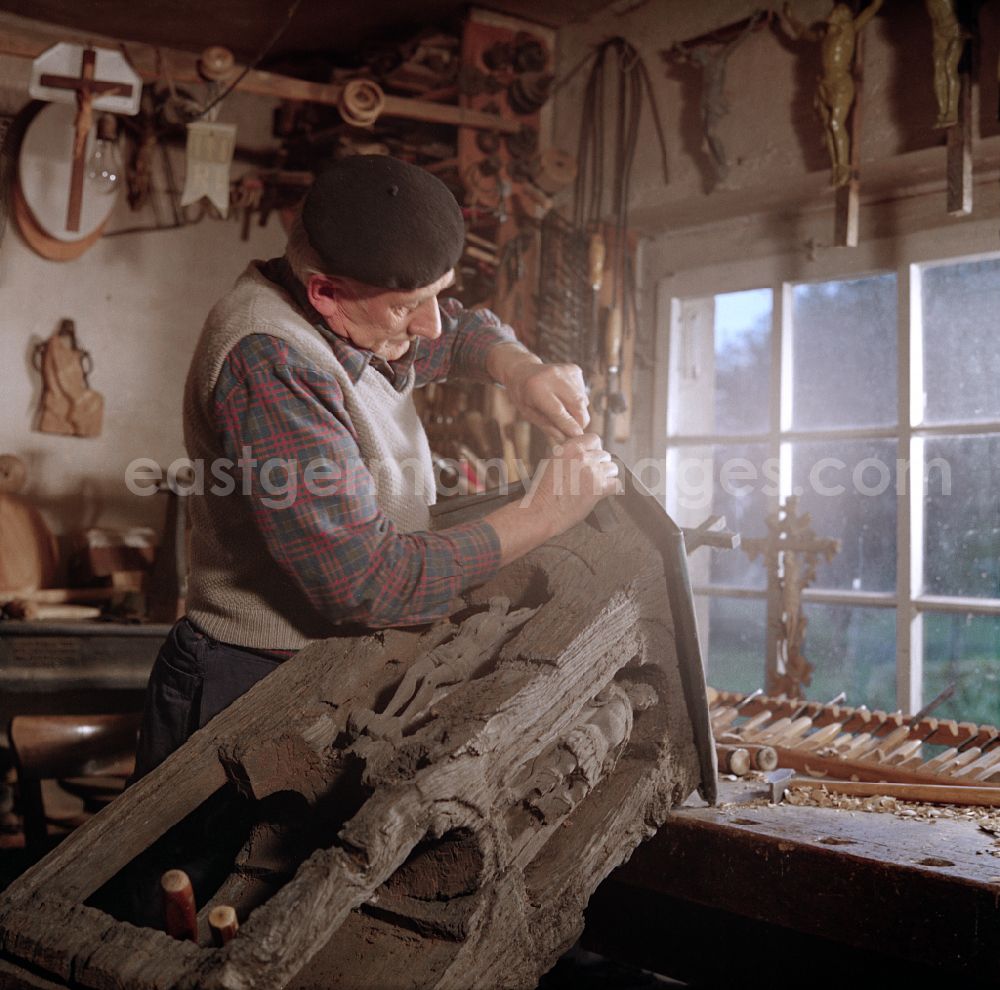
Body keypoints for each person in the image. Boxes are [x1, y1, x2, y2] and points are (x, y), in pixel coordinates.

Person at [132, 154, 618, 779]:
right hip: (247, 680)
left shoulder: (365, 316)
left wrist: (519, 369)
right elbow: (367, 583)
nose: (430, 324)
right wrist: (544, 514)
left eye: (437, 293)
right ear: (325, 292)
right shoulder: (273, 361)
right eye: (408, 307)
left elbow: (459, 330)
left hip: (329, 669)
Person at [781, 0, 884, 188]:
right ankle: (836, 165)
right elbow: (802, 33)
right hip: (824, 84)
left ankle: (844, 165)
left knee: (836, 123)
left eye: (837, 11)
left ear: (843, 15)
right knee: (828, 125)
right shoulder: (824, 35)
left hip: (841, 83)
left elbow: (871, 9)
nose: (832, 13)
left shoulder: (848, 30)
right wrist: (789, 18)